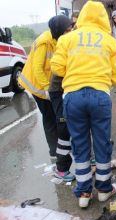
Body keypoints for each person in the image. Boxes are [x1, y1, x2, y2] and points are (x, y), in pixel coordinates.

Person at [51, 1, 116, 208]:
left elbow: (56, 67)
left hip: (73, 96)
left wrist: (75, 73)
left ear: (81, 17)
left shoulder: (67, 39)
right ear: (104, 18)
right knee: (102, 141)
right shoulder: (110, 42)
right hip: (100, 95)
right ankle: (103, 189)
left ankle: (83, 193)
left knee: (80, 143)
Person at [18, 15, 73, 158]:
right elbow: (37, 69)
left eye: (70, 30)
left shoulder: (58, 39)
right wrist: (47, 90)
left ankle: (62, 146)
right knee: (49, 117)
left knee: (58, 116)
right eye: (67, 30)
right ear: (59, 29)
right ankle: (54, 152)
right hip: (37, 85)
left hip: (48, 85)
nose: (69, 33)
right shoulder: (44, 41)